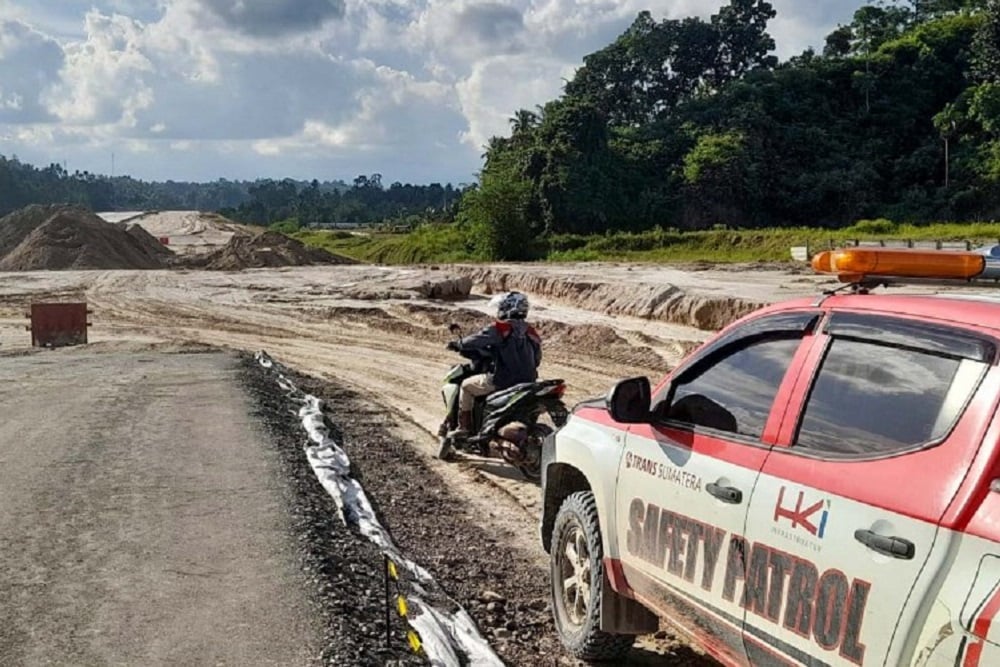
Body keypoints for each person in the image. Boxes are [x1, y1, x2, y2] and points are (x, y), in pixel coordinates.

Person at [446, 291, 542, 438]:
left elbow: (478, 339)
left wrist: (459, 344)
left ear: (508, 307)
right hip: (528, 381)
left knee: (466, 386)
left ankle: (464, 428)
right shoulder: (531, 331)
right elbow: (537, 360)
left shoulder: (502, 328)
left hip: (504, 380)